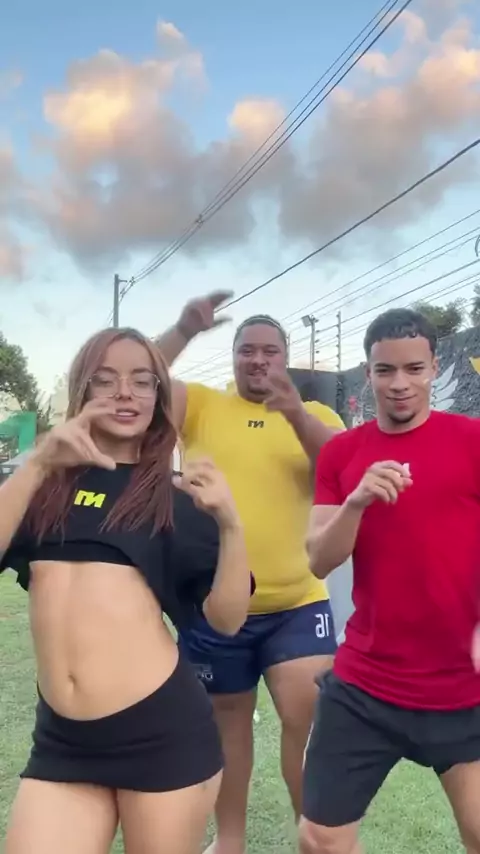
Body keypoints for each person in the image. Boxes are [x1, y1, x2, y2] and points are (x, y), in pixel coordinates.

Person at [0, 326, 253, 854]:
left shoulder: (173, 498)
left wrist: (232, 526)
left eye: (142, 381)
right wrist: (39, 462)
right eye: (106, 379)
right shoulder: (42, 489)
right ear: (82, 389)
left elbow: (227, 619)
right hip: (63, 742)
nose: (125, 394)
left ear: (158, 396)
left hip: (162, 737)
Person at [155, 293, 344, 854]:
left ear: (286, 357)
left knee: (305, 718)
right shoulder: (202, 405)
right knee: (228, 727)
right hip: (217, 607)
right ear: (234, 356)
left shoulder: (319, 415)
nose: (258, 360)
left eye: (270, 351)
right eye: (247, 350)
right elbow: (136, 378)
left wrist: (294, 413)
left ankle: (315, 837)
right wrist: (183, 329)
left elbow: (340, 463)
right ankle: (230, 839)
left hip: (297, 603)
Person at [300, 307, 480, 854]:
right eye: (385, 370)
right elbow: (318, 560)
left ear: (433, 369)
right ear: (369, 372)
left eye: (414, 368)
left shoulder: (472, 440)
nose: (400, 383)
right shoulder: (342, 453)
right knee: (319, 838)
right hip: (367, 684)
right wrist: (355, 501)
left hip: (463, 686)